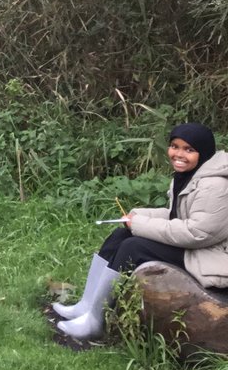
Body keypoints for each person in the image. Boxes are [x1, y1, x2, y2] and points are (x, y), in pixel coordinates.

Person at [54, 122, 228, 340]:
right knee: (120, 236)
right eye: (175, 146)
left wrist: (140, 225)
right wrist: (138, 216)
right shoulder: (192, 174)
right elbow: (177, 214)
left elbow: (197, 232)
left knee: (133, 246)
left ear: (203, 152)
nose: (179, 154)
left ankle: (96, 320)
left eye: (189, 149)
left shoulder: (215, 186)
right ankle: (87, 306)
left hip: (211, 257)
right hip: (196, 248)